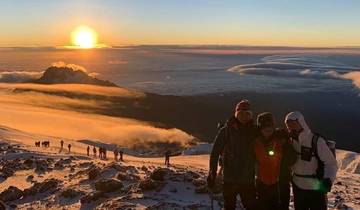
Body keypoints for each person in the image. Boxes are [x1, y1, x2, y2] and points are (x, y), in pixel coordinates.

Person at [208, 99, 258, 210]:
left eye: (247, 114)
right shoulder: (226, 131)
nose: (244, 116)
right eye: (241, 113)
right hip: (230, 179)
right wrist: (212, 172)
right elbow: (215, 153)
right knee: (230, 207)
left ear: (250, 115)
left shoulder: (255, 131)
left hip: (247, 179)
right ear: (236, 114)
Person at [285, 111, 338, 210]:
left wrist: (328, 180)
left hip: (316, 186)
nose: (291, 127)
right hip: (298, 186)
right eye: (289, 125)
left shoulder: (316, 141)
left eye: (294, 124)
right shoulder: (290, 141)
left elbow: (331, 163)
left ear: (301, 122)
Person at [254, 112, 296, 210]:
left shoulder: (281, 139)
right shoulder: (255, 141)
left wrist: (287, 143)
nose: (268, 129)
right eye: (264, 127)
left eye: (270, 127)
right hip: (262, 183)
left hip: (281, 183)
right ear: (260, 128)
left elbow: (292, 158)